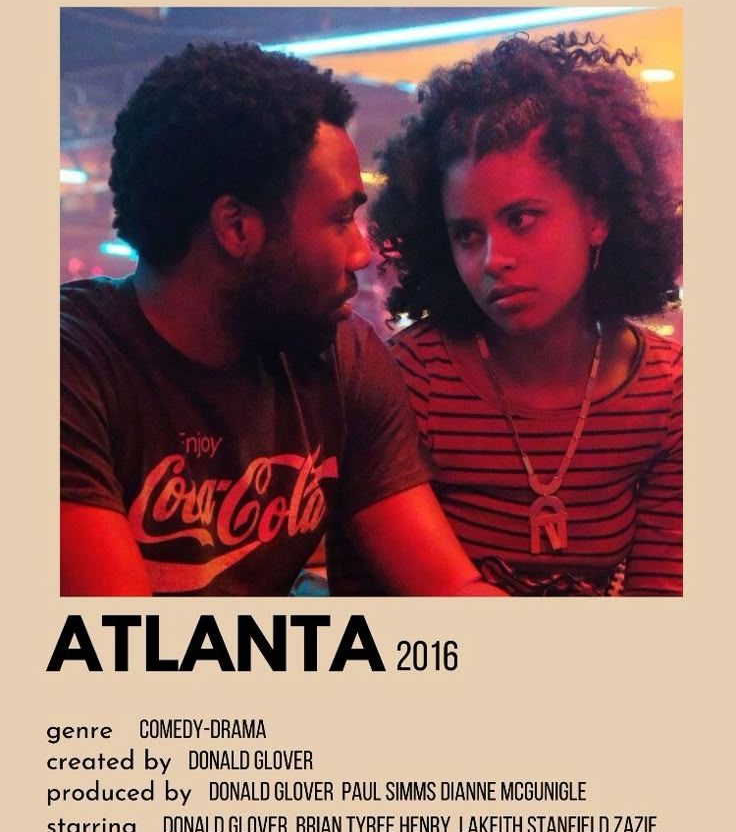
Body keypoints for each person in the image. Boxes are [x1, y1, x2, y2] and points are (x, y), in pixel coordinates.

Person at [60, 41, 505, 597]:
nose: (361, 254)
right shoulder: (68, 368)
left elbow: (451, 591)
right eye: (341, 219)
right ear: (238, 228)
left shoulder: (342, 356)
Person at [370, 32, 682, 596]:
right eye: (467, 234)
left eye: (522, 219)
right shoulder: (413, 379)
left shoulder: (668, 390)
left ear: (597, 217)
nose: (493, 261)